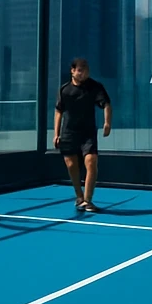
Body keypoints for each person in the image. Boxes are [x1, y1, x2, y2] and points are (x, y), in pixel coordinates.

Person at [54, 58, 111, 212]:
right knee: (72, 165)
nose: (83, 73)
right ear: (73, 71)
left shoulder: (95, 87)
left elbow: (106, 104)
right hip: (69, 133)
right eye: (80, 70)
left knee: (91, 162)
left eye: (86, 70)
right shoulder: (64, 90)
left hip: (88, 133)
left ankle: (88, 200)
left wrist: (107, 123)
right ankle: (79, 197)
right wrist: (56, 134)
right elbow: (59, 111)